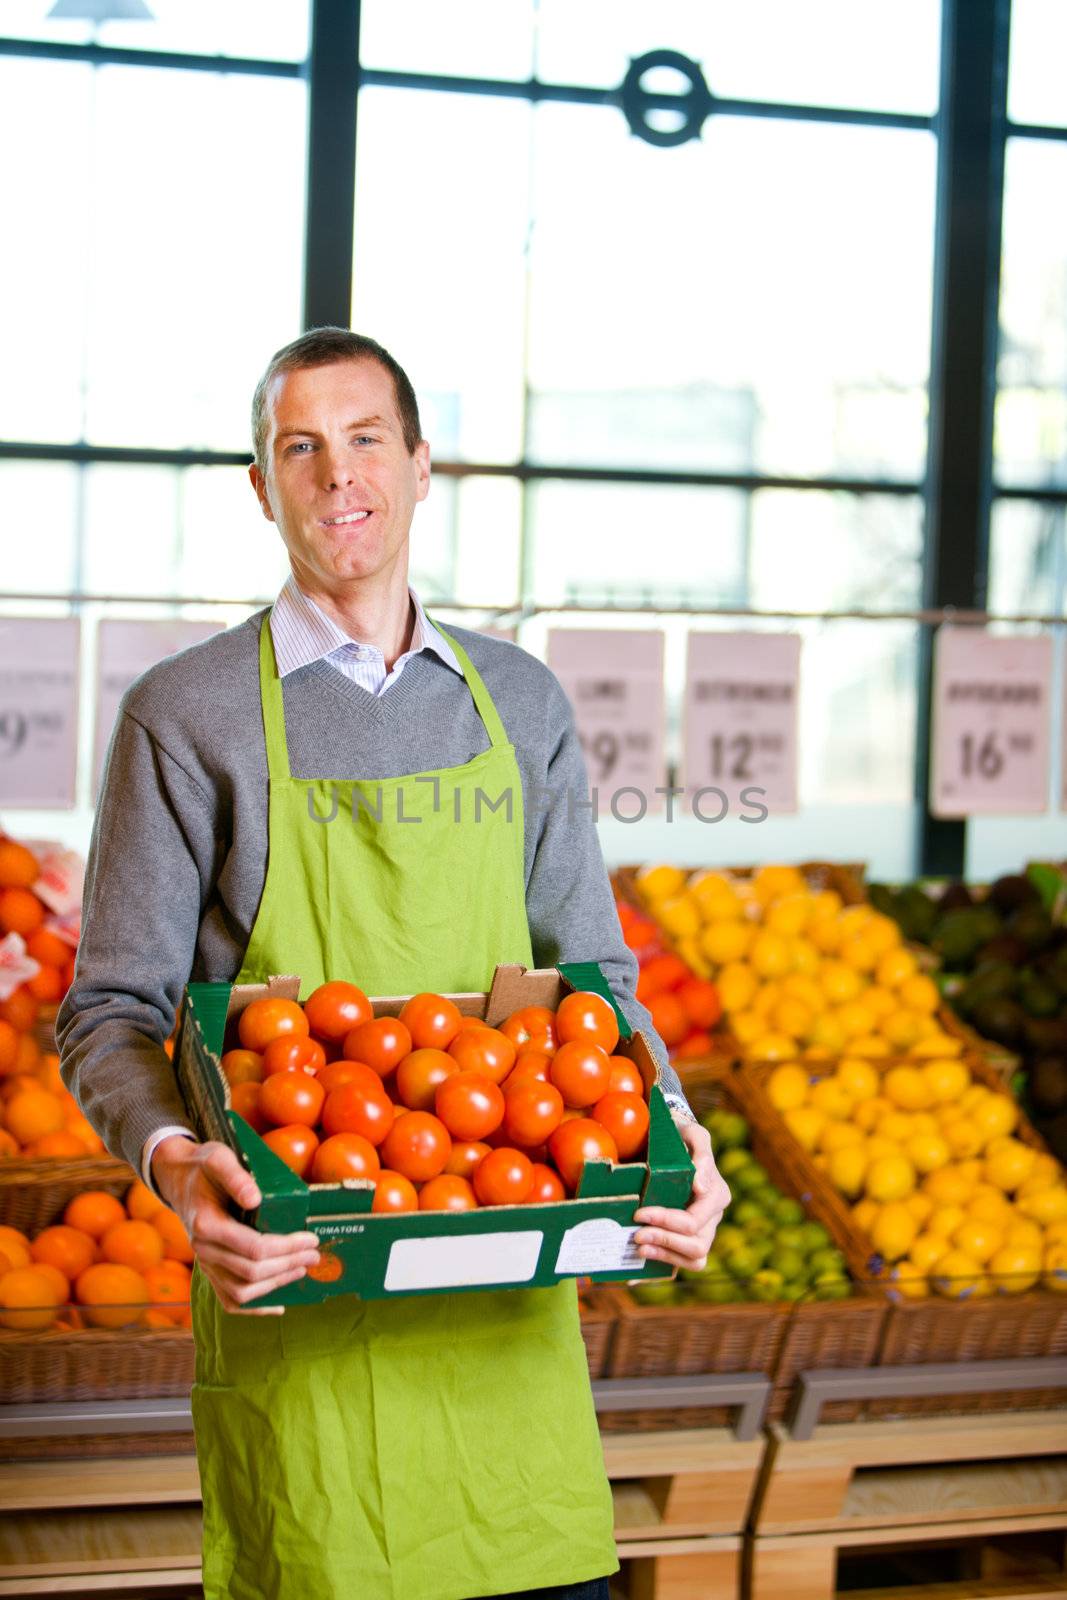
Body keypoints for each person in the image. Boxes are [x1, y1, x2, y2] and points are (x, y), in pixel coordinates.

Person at [58, 328, 729, 1600]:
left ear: (423, 467)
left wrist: (675, 1132)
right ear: (261, 485)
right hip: (306, 1303)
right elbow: (107, 1010)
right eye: (297, 446)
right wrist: (172, 1163)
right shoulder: (183, 711)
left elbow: (591, 973)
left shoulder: (520, 703)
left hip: (506, 1298)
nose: (336, 473)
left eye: (366, 438)